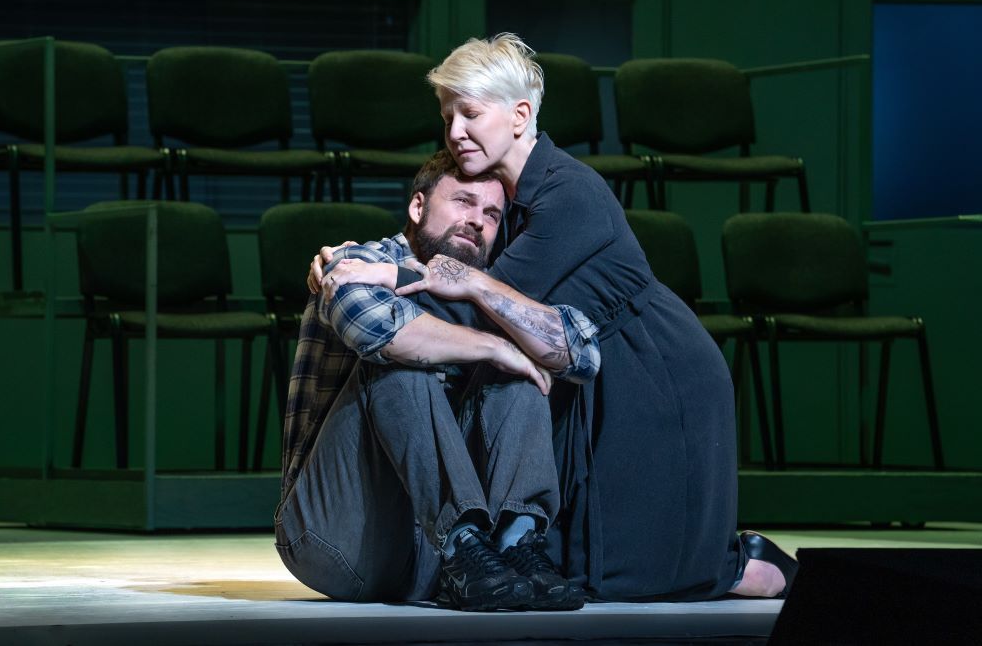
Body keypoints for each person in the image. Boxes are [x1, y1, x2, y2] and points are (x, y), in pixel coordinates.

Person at [317, 33, 797, 601]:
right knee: (565, 562)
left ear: (520, 115)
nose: (455, 131)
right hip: (580, 370)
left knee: (627, 572)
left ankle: (751, 566)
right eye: (448, 116)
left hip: (650, 372)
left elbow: (481, 300)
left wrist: (385, 275)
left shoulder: (568, 193)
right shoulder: (509, 201)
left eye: (470, 113)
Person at [276, 150, 598, 611]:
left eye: (491, 213)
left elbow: (585, 352)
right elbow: (373, 327)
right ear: (418, 207)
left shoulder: (495, 287)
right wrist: (494, 346)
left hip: (455, 564)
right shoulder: (359, 261)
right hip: (338, 537)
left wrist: (486, 301)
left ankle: (516, 544)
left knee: (519, 372)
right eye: (463, 202)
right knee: (403, 356)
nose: (477, 221)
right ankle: (463, 541)